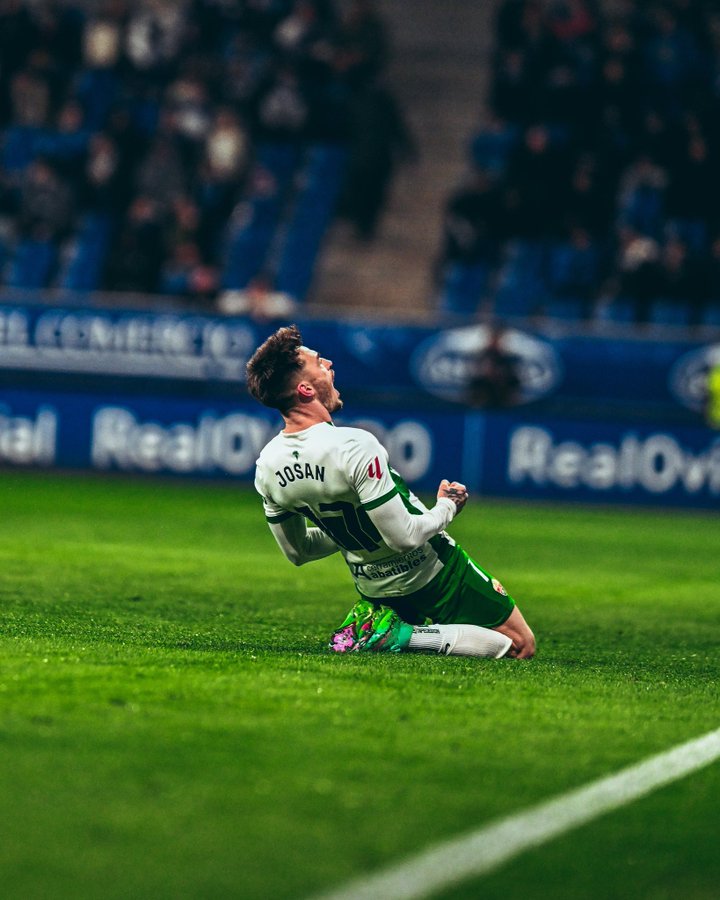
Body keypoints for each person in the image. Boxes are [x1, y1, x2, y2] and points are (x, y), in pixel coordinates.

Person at [246, 325, 536, 660]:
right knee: (520, 646)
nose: (329, 364)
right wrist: (446, 507)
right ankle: (402, 635)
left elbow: (299, 551)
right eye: (318, 362)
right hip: (432, 571)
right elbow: (404, 538)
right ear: (306, 389)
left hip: (373, 586)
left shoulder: (267, 465)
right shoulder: (353, 445)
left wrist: (349, 528)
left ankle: (380, 625)